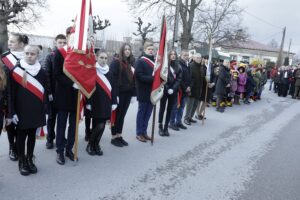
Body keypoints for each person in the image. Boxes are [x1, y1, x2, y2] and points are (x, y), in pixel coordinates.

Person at [10, 45, 48, 175]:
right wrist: (12, 112)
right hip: (21, 111)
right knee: (21, 137)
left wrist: (46, 110)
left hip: (36, 110)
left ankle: (30, 158)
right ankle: (22, 161)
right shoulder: (16, 70)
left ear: (37, 56)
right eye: (27, 53)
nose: (29, 56)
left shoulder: (42, 72)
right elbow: (11, 94)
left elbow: (45, 92)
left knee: (32, 136)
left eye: (32, 54)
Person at [1, 33, 29, 161]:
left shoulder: (28, 57)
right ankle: (12, 146)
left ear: (22, 44)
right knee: (10, 122)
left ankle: (19, 145)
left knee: (22, 122)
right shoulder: (4, 58)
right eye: (9, 41)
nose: (10, 43)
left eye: (13, 41)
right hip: (8, 96)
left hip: (23, 95)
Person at [53, 27, 78, 165]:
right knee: (61, 124)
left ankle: (69, 148)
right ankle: (60, 151)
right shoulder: (60, 52)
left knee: (73, 125)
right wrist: (72, 84)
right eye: (72, 35)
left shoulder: (81, 53)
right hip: (63, 94)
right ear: (68, 36)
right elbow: (57, 74)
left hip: (76, 96)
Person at [85, 50, 117, 155]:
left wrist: (114, 102)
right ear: (97, 58)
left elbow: (114, 88)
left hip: (106, 102)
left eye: (105, 58)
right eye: (101, 58)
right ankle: (91, 144)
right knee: (97, 125)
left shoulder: (110, 72)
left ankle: (95, 144)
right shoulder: (92, 70)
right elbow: (88, 87)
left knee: (102, 125)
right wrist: (88, 102)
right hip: (95, 102)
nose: (103, 60)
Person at [44, 34, 67, 149]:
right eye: (60, 42)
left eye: (64, 42)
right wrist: (49, 93)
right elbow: (47, 75)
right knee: (52, 117)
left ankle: (61, 137)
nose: (62, 45)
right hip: (52, 92)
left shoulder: (68, 56)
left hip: (63, 93)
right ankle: (50, 138)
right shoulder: (50, 56)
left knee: (62, 118)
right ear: (55, 43)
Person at [109, 43, 135, 147]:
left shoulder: (129, 63)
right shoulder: (116, 63)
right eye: (125, 49)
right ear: (122, 51)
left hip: (127, 94)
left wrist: (134, 94)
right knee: (117, 116)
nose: (127, 51)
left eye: (129, 49)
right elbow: (112, 80)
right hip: (119, 94)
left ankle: (119, 135)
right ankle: (113, 137)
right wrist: (115, 96)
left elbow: (133, 81)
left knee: (122, 116)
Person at [158, 50, 182, 136]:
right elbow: (162, 77)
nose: (173, 55)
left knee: (170, 109)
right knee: (162, 108)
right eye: (171, 54)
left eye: (174, 54)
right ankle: (160, 126)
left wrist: (173, 89)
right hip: (165, 90)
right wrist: (167, 88)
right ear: (168, 55)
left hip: (173, 91)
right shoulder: (165, 65)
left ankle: (166, 127)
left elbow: (179, 79)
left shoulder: (178, 66)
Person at [135, 42, 155, 142]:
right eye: (149, 49)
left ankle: (144, 132)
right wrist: (153, 79)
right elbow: (139, 76)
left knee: (148, 113)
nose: (151, 51)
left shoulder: (155, 62)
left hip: (152, 92)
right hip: (143, 91)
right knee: (142, 112)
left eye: (152, 49)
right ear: (144, 50)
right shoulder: (140, 61)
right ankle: (139, 133)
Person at [169, 49, 191, 130]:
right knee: (175, 107)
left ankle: (179, 122)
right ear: (181, 56)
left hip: (186, 89)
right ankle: (172, 122)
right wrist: (185, 88)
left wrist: (189, 86)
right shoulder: (179, 64)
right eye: (185, 55)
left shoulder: (188, 64)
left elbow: (190, 77)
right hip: (180, 89)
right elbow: (179, 78)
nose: (186, 56)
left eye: (187, 55)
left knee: (182, 107)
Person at [184, 53, 205, 124]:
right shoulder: (191, 66)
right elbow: (189, 77)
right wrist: (189, 87)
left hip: (199, 89)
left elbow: (202, 77)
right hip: (192, 89)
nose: (199, 59)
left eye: (200, 58)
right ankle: (186, 118)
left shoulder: (201, 67)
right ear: (194, 58)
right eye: (197, 58)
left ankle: (190, 117)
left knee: (195, 105)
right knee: (190, 105)